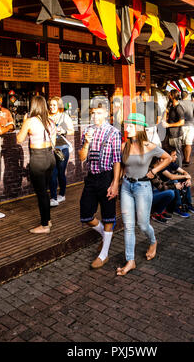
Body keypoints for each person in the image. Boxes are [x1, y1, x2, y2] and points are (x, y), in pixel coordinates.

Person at [116, 113, 171, 276]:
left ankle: (153, 242)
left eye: (130, 125)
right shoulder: (124, 146)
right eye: (126, 125)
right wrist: (116, 183)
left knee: (143, 225)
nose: (127, 128)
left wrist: (153, 171)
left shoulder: (149, 146)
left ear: (139, 127)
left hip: (143, 187)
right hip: (126, 186)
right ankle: (130, 260)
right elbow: (121, 167)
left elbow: (167, 158)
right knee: (128, 225)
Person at [79, 101, 122, 269]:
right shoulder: (87, 131)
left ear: (106, 114)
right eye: (93, 113)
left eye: (98, 113)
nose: (95, 116)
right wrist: (87, 143)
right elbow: (82, 157)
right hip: (91, 177)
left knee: (108, 215)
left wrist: (115, 183)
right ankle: (106, 234)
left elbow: (117, 160)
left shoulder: (113, 133)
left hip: (107, 177)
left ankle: (104, 254)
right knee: (86, 215)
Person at [17, 96, 56, 234]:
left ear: (33, 106)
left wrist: (24, 123)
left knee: (41, 194)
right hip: (50, 157)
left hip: (38, 158)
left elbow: (19, 139)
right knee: (45, 191)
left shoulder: (30, 121)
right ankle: (48, 219)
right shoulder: (50, 121)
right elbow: (54, 142)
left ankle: (45, 225)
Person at [159, 148, 194, 217]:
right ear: (167, 156)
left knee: (184, 180)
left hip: (171, 183)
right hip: (163, 185)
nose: (176, 156)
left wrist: (188, 179)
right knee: (175, 181)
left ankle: (188, 204)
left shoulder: (171, 163)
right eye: (174, 155)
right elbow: (171, 176)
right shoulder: (162, 165)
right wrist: (185, 176)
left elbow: (183, 171)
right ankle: (177, 207)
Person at [48, 96, 74, 206]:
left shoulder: (64, 117)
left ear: (58, 105)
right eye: (50, 105)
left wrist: (63, 131)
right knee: (52, 173)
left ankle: (62, 194)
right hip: (50, 149)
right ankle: (53, 197)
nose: (52, 107)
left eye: (54, 105)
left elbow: (72, 131)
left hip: (62, 149)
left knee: (60, 173)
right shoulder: (47, 117)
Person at [163, 89, 185, 167]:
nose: (168, 96)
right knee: (168, 149)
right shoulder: (172, 106)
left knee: (177, 153)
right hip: (170, 133)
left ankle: (179, 171)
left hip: (176, 134)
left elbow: (182, 122)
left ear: (172, 96)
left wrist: (168, 125)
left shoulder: (178, 108)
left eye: (169, 95)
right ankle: (174, 168)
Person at [179, 91, 194, 166]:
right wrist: (191, 116)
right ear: (187, 96)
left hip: (181, 125)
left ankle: (185, 158)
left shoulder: (178, 103)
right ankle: (187, 160)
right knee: (188, 143)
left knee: (183, 144)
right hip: (190, 125)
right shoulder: (191, 103)